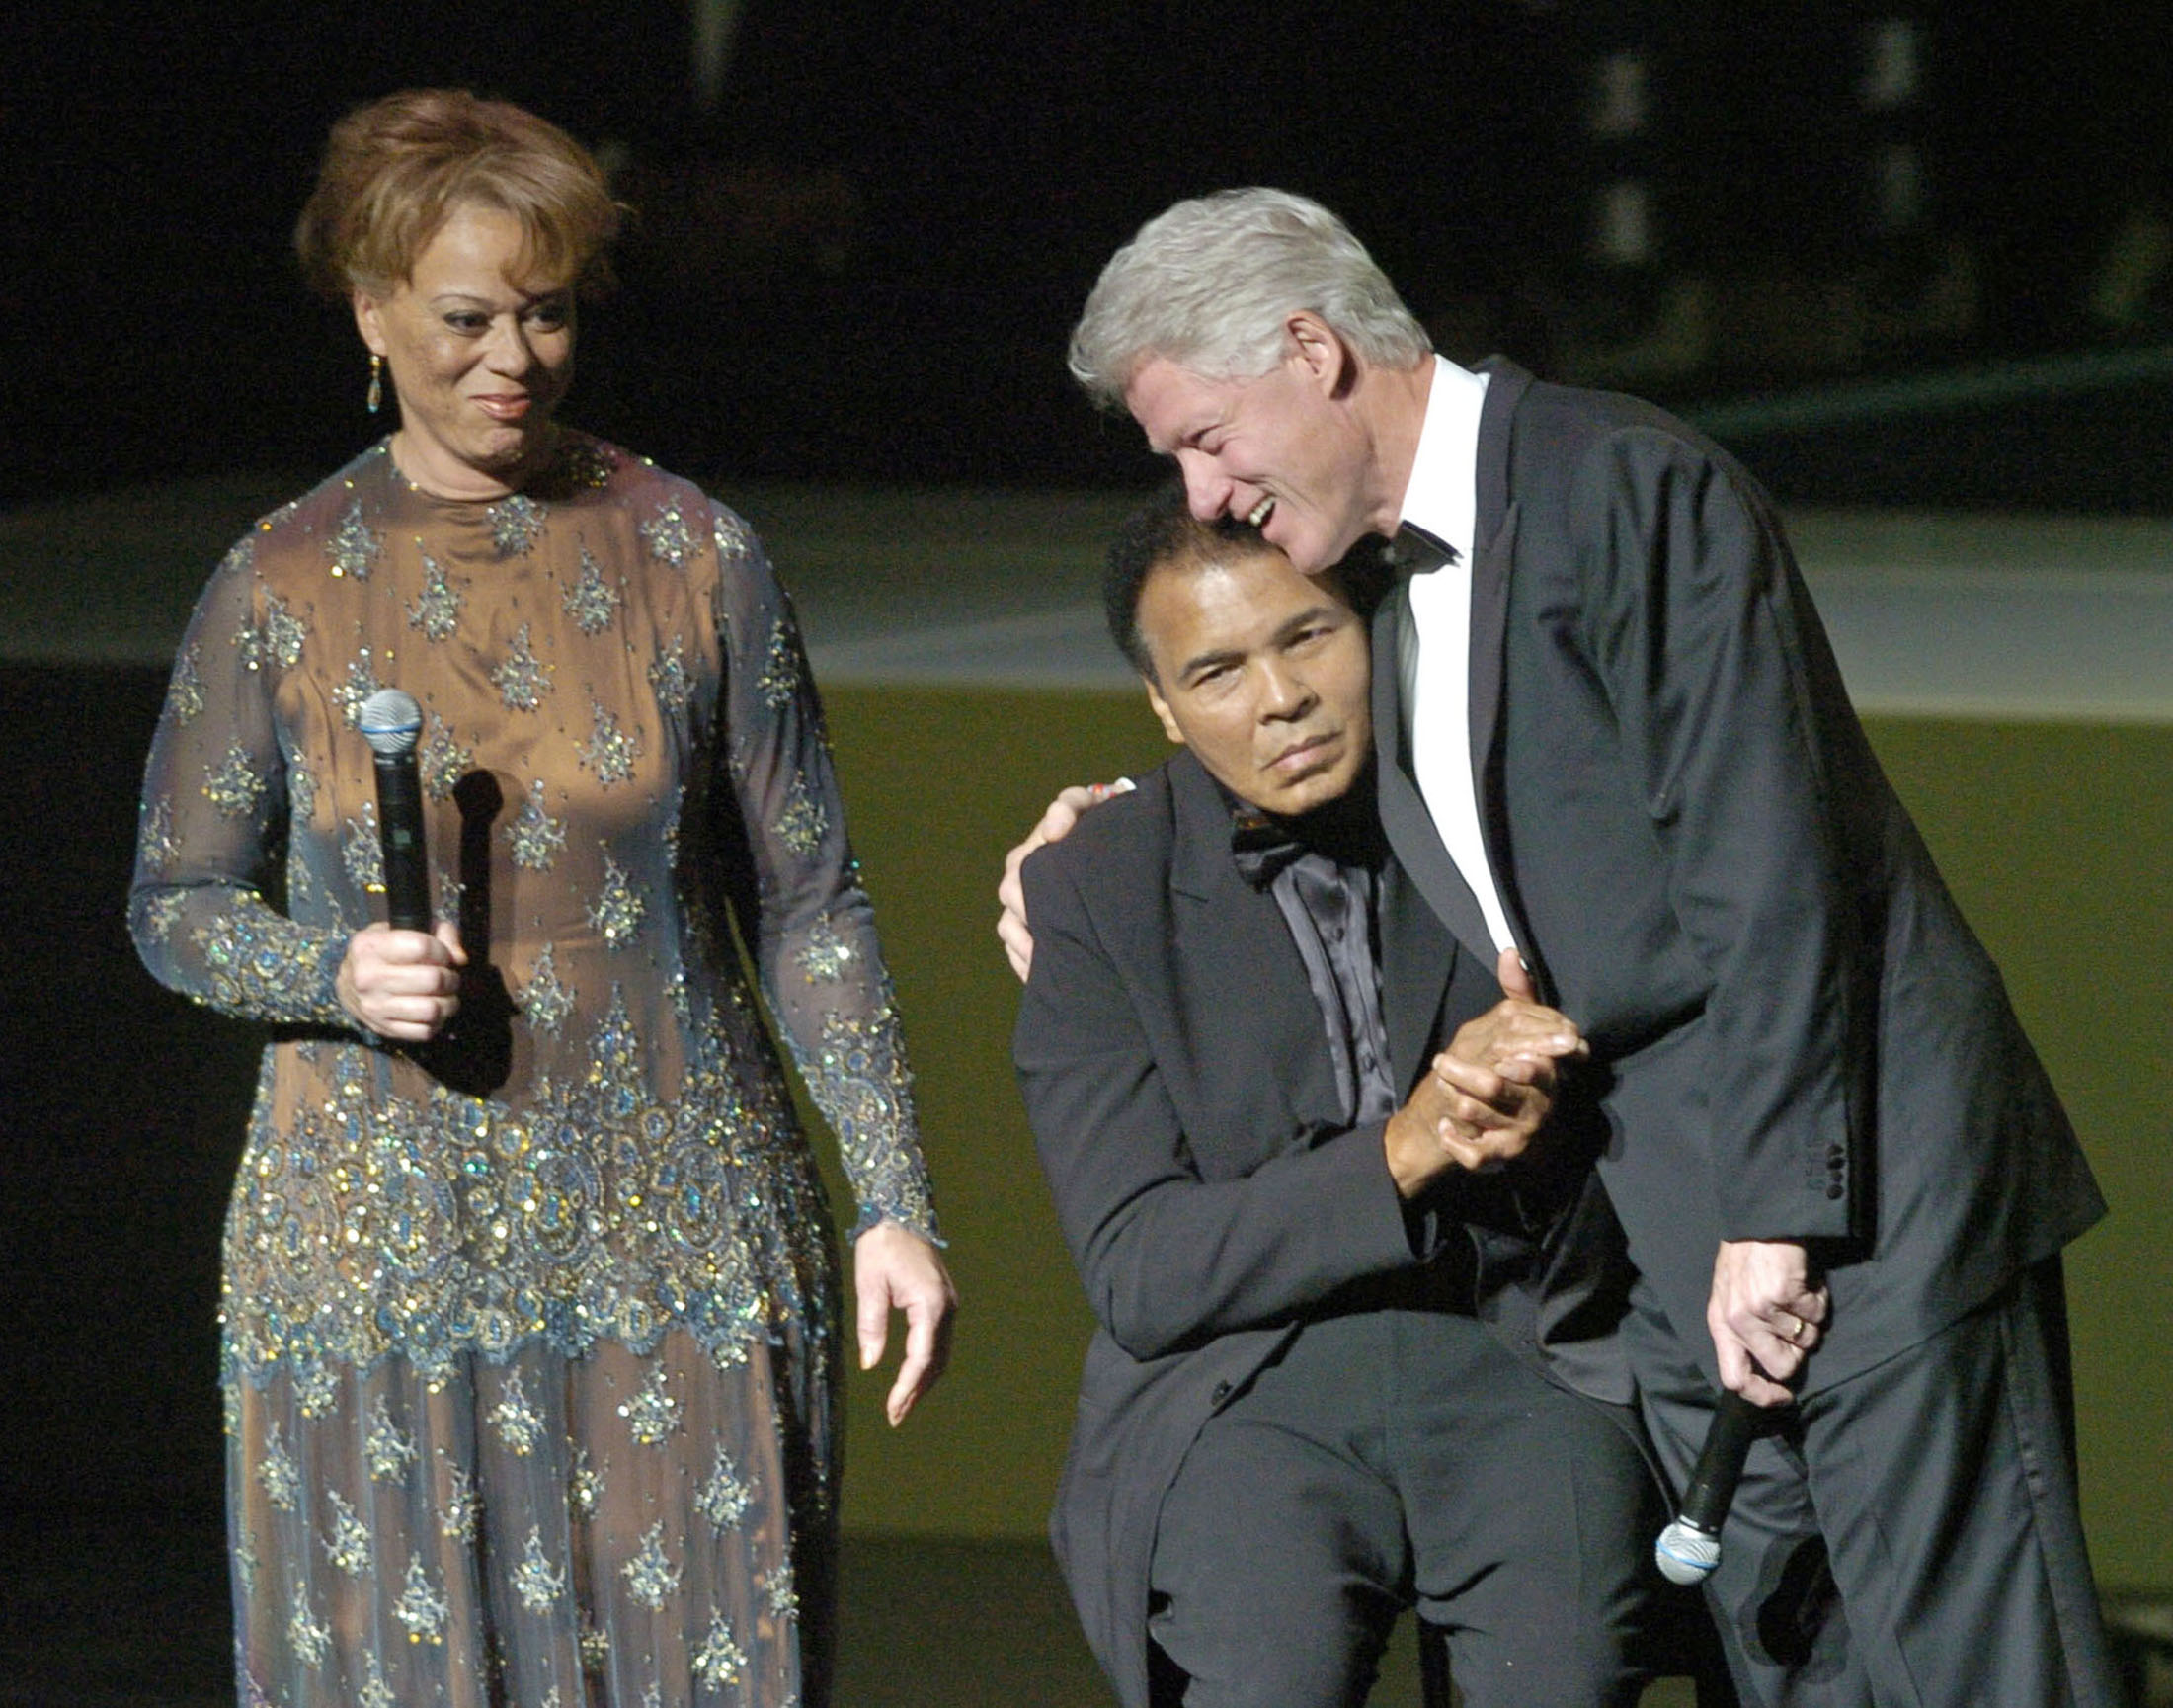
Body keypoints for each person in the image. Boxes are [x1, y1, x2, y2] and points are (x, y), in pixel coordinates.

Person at [1001, 188, 2116, 1706]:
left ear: (1312, 350)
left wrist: (1774, 1210)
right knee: (1797, 1670)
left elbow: (1771, 865)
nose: (1203, 492)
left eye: (1206, 436)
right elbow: (1285, 737)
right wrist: (1094, 855)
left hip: (1857, 1213)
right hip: (1685, 1241)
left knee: (1971, 1672)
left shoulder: (1619, 486)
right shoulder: (1389, 583)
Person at [129, 90, 955, 1708]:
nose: (516, 354)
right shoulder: (278, 583)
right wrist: (330, 971)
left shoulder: (699, 555)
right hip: (376, 1247)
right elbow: (173, 900)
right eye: (466, 317)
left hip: (683, 1240)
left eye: (549, 311)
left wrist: (894, 1194)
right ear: (368, 311)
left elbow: (813, 899)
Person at [1013, 487, 1680, 1708]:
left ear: (1371, 623)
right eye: (1216, 670)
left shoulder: (1505, 808)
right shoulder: (1094, 886)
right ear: (1161, 706)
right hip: (1243, 1382)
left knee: (1566, 1668)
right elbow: (1141, 1270)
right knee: (1266, 1673)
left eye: (1307, 636)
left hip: (1519, 1347)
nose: (1280, 699)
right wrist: (1403, 1148)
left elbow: (1652, 1125)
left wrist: (1532, 1139)